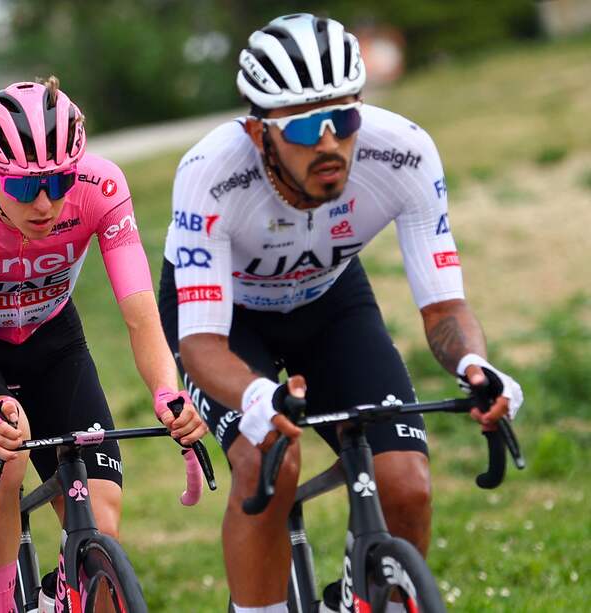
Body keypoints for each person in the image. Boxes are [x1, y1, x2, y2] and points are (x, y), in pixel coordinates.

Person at [158, 13, 524, 613]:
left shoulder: (403, 153)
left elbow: (444, 306)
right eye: (304, 127)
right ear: (258, 134)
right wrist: (257, 399)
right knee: (263, 461)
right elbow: (200, 346)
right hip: (227, 321)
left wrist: (475, 367)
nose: (329, 142)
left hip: (329, 301)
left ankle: (358, 601)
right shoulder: (210, 174)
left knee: (406, 483)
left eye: (344, 118)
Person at [0, 76, 208, 612]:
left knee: (102, 527)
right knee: (7, 450)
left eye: (59, 181)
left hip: (50, 336)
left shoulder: (102, 186)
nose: (45, 203)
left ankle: (59, 594)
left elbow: (140, 317)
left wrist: (167, 391)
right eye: (24, 187)